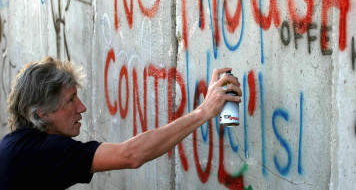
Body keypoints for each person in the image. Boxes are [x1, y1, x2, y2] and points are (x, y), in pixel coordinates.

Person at [0, 56, 241, 189]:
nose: (81, 107)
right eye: (71, 100)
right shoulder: (43, 152)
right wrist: (203, 111)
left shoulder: (18, 145)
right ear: (42, 113)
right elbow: (131, 155)